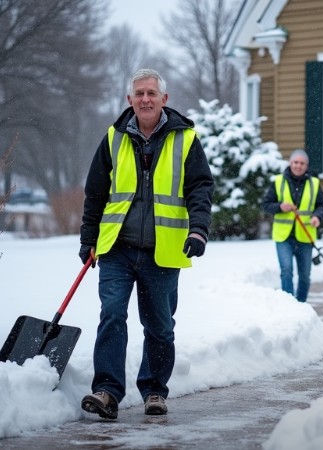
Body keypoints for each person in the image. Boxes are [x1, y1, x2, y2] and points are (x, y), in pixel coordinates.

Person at [78, 68, 214, 419]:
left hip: (163, 250)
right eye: (139, 93)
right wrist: (88, 238)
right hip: (117, 249)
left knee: (159, 326)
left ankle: (154, 391)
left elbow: (200, 188)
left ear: (164, 99)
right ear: (130, 100)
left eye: (151, 93)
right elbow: (95, 193)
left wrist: (198, 230)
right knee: (111, 316)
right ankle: (107, 391)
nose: (145, 99)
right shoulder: (114, 137)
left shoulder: (185, 138)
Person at [261, 149, 323, 302]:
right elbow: (266, 205)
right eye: (296, 162)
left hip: (305, 236)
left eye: (302, 163)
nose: (298, 166)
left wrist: (317, 216)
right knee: (286, 270)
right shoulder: (278, 181)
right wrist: (280, 206)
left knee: (305, 275)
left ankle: (301, 304)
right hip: (283, 236)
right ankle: (289, 304)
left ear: (307, 166)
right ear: (290, 163)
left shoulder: (314, 183)